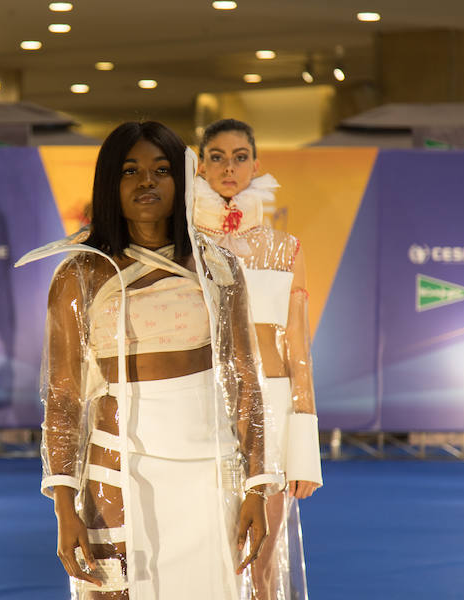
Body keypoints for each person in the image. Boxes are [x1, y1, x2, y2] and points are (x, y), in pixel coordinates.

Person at [16, 121, 286, 599]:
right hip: (114, 468)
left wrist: (256, 486)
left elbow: (244, 378)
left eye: (162, 170)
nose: (147, 182)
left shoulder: (217, 268)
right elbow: (62, 397)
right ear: (109, 183)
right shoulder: (79, 274)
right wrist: (62, 503)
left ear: (180, 181)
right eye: (130, 170)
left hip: (209, 467)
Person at [195, 118, 323, 599]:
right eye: (217, 156)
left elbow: (298, 347)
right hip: (199, 402)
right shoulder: (182, 247)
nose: (229, 167)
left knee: (265, 557)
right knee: (208, 547)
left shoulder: (285, 249)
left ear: (256, 164)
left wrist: (305, 449)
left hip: (272, 408)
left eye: (240, 156)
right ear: (200, 162)